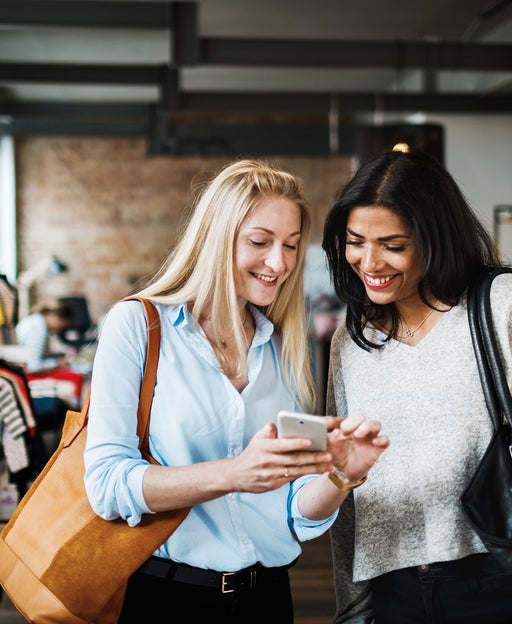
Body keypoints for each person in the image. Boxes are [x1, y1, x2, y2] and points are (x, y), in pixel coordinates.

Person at [83, 158, 390, 623]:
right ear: (216, 238)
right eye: (259, 242)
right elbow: (106, 484)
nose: (279, 263)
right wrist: (234, 473)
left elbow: (294, 509)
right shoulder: (139, 325)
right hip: (166, 598)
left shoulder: (288, 344)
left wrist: (341, 477)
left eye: (290, 246)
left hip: (265, 599)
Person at [322, 147, 512, 624]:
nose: (369, 262)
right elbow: (347, 481)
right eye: (355, 241)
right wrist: (351, 604)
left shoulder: (499, 306)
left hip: (494, 576)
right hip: (392, 593)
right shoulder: (353, 338)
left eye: (393, 244)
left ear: (435, 238)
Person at [15, 300, 75, 372]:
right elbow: (33, 366)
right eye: (62, 326)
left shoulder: (37, 320)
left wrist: (60, 355)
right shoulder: (38, 326)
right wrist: (57, 363)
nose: (60, 329)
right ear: (57, 318)